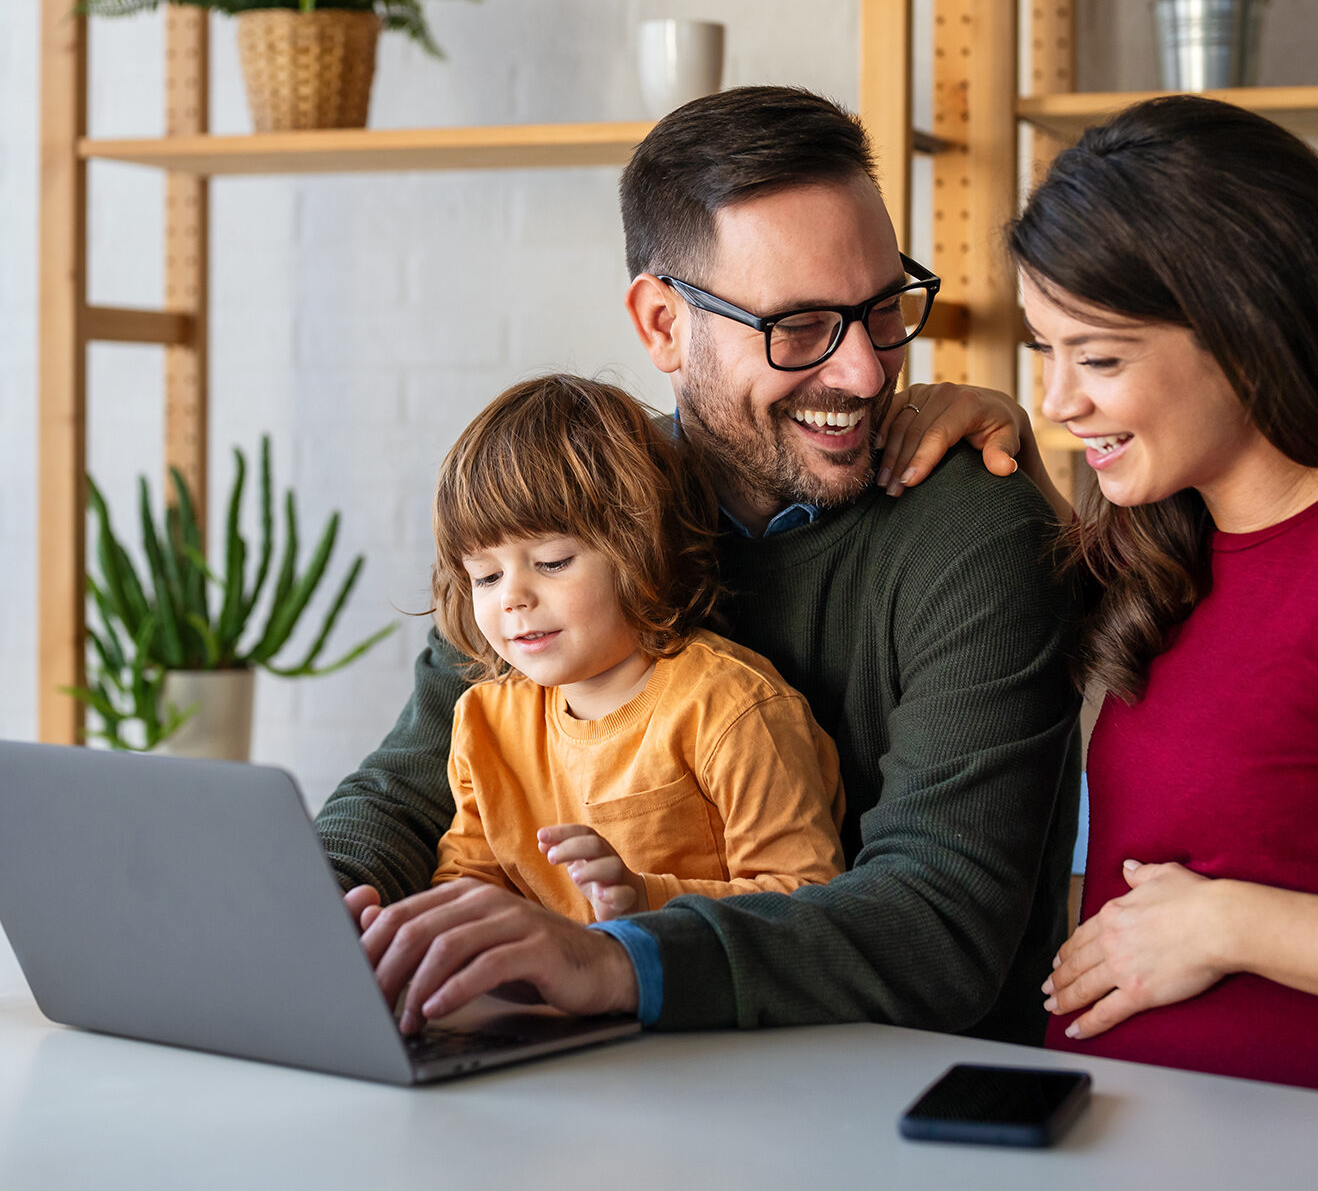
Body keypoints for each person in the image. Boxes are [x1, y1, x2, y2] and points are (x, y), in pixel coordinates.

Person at [317, 85, 1081, 1043]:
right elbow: (406, 788)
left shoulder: (970, 527)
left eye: (883, 309)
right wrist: (311, 909)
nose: (866, 372)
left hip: (890, 1108)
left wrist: (610, 960)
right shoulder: (577, 502)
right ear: (662, 325)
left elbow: (938, 921)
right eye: (799, 326)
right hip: (590, 1075)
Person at [876, 94, 1318, 1090]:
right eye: (1047, 351)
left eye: (1099, 357)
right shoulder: (1168, 538)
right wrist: (995, 428)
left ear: (1246, 327)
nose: (1059, 399)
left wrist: (1229, 923)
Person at [384, 374, 845, 990]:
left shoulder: (733, 707)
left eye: (551, 562)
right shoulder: (485, 723)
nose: (513, 598)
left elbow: (809, 897)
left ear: (643, 546)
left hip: (705, 1023)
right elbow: (470, 881)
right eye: (486, 577)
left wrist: (642, 899)